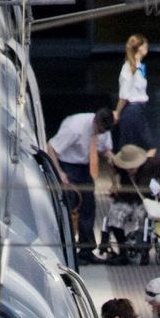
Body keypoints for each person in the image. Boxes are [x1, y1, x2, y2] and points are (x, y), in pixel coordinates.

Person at [44, 104, 115, 250]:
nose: (100, 134)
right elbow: (51, 147)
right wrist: (59, 172)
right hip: (68, 165)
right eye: (99, 130)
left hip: (85, 167)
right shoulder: (74, 128)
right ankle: (65, 244)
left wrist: (114, 160)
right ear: (95, 122)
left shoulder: (104, 130)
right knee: (70, 205)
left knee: (88, 205)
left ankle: (86, 248)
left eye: (103, 132)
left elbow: (104, 149)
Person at [112, 98, 160, 193]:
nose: (130, 169)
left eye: (132, 166)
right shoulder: (119, 167)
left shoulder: (151, 164)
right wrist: (114, 184)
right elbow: (111, 165)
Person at [118, 32, 150, 109]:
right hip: (132, 109)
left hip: (141, 108)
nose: (147, 47)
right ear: (139, 48)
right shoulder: (128, 67)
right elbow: (124, 94)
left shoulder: (139, 66)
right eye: (144, 45)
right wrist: (117, 112)